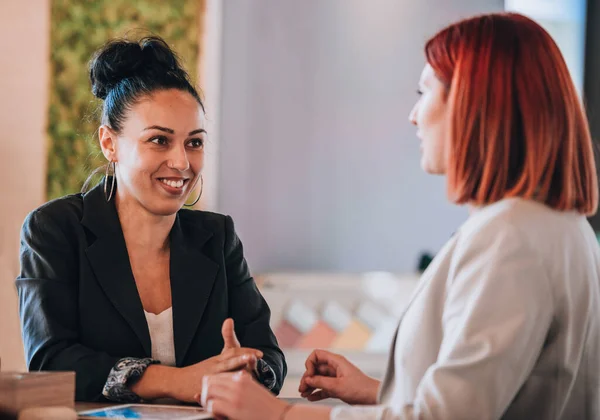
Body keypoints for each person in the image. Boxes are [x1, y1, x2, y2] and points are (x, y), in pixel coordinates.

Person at [199, 12, 600, 419]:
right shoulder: (562, 227)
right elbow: (492, 393)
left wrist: (279, 415)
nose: (414, 115)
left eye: (424, 92)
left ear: (472, 103)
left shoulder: (511, 237)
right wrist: (377, 391)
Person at [17, 36, 286, 403]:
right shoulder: (54, 229)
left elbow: (269, 356)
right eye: (159, 141)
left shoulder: (217, 235)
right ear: (109, 143)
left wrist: (248, 368)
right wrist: (183, 381)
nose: (181, 162)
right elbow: (50, 362)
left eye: (194, 142)